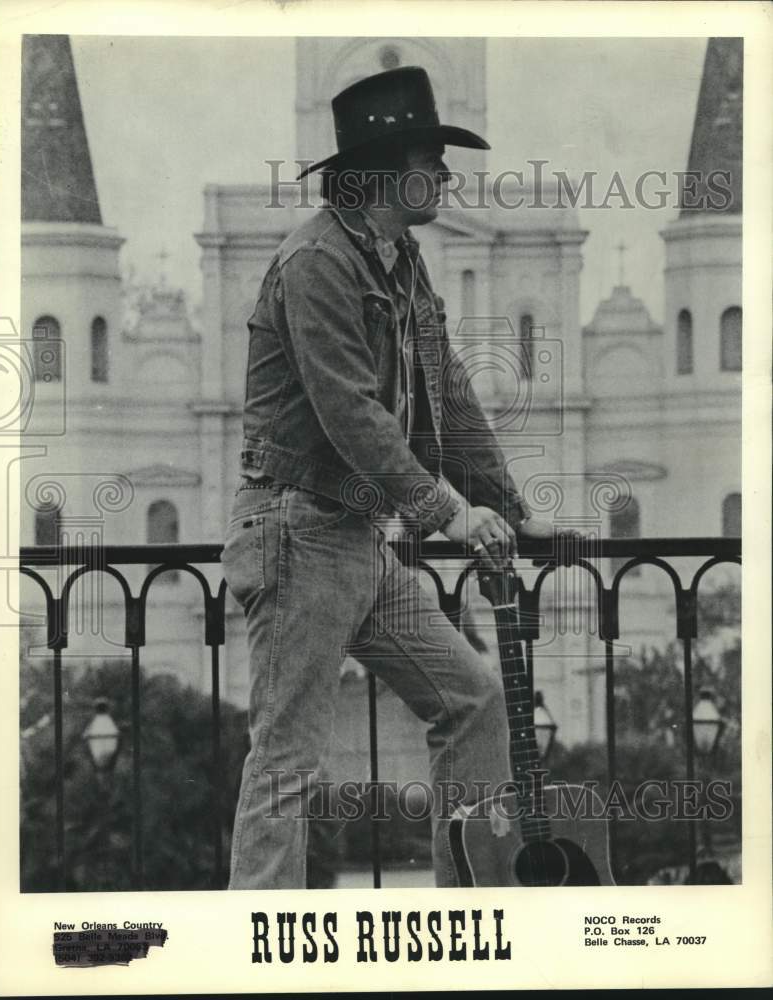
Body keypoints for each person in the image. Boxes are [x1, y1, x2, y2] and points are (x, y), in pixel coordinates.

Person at [221, 66, 560, 890]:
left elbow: (449, 395)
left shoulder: (401, 260)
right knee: (288, 760)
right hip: (296, 535)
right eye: (431, 159)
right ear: (383, 171)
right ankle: (241, 957)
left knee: (472, 700)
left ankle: (463, 906)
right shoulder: (314, 262)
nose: (446, 175)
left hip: (355, 540)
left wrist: (509, 509)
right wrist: (448, 512)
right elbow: (349, 410)